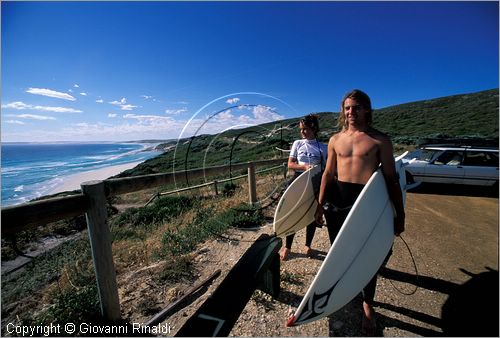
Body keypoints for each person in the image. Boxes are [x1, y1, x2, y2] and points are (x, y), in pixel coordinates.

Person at [314, 89, 405, 335]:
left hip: (365, 203)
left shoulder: (380, 140)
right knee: (339, 251)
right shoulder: (335, 140)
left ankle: (367, 303)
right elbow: (328, 174)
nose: (351, 112)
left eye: (356, 107)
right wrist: (319, 205)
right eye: (347, 108)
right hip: (338, 202)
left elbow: (391, 179)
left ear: (366, 109)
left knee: (366, 256)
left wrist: (400, 214)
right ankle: (343, 290)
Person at [279, 114, 328, 261]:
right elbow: (290, 164)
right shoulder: (298, 143)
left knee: (312, 213)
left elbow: (326, 168)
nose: (302, 132)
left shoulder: (323, 147)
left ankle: (308, 245)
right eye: (301, 129)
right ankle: (287, 246)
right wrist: (305, 166)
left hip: (314, 182)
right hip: (298, 180)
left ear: (313, 128)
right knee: (292, 213)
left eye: (305, 129)